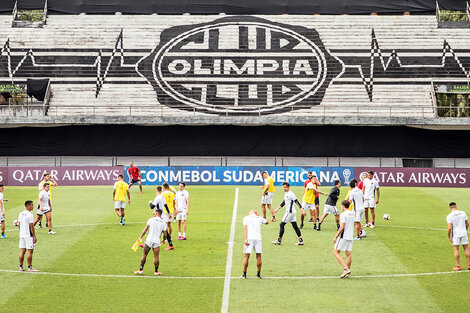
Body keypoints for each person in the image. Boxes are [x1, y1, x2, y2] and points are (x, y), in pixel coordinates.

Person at [134, 208, 168, 276]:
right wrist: (164, 240)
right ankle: (156, 271)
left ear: (156, 213)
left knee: (144, 255)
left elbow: (145, 229)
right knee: (156, 257)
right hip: (157, 241)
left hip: (149, 240)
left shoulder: (151, 219)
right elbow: (165, 233)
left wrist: (140, 237)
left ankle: (140, 269)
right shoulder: (163, 222)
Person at [241, 210, 268, 279]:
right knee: (259, 256)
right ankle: (258, 274)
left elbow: (245, 228)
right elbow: (267, 222)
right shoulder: (259, 218)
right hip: (258, 239)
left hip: (249, 238)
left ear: (249, 213)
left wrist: (245, 239)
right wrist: (259, 216)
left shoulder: (246, 218)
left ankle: (244, 274)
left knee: (246, 256)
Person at [333, 200, 355, 278]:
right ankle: (347, 271)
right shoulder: (353, 213)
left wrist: (336, 236)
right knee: (348, 254)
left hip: (344, 236)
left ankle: (345, 269)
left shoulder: (343, 215)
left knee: (336, 252)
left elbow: (342, 227)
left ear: (343, 206)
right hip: (350, 236)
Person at [150, 186, 175, 251]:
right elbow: (165, 205)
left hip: (159, 216)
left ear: (156, 190)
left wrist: (150, 202)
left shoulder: (157, 198)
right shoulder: (162, 197)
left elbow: (152, 207)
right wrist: (169, 213)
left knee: (160, 230)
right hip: (161, 215)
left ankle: (170, 245)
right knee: (159, 230)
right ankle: (150, 243)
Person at [446, 202, 470, 271]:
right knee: (466, 249)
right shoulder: (463, 213)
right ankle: (469, 265)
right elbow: (467, 223)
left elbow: (449, 228)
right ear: (456, 206)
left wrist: (449, 236)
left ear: (450, 208)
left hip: (456, 234)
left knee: (456, 249)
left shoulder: (449, 216)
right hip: (463, 233)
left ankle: (458, 266)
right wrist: (465, 230)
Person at [19, 200, 38, 272]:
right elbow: (31, 226)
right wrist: (34, 236)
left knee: (22, 251)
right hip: (28, 235)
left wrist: (21, 232)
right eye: (32, 205)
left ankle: (21, 267)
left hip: (22, 235)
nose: (33, 206)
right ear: (29, 206)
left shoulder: (21, 214)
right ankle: (30, 267)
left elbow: (19, 224)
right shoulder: (30, 215)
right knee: (30, 251)